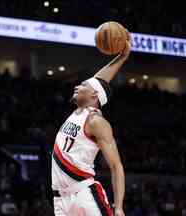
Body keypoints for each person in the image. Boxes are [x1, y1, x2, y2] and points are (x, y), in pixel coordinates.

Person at [51, 40, 131, 216]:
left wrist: (118, 207)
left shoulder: (95, 121)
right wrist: (122, 57)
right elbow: (100, 80)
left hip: (84, 194)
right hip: (60, 199)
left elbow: (116, 166)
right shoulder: (79, 112)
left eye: (83, 86)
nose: (77, 86)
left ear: (94, 95)